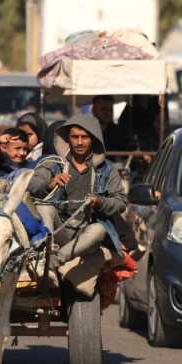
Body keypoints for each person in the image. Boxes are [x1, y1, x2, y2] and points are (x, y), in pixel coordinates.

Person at [28, 113, 127, 270]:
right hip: (57, 230)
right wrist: (50, 183)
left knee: (99, 230)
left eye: (84, 137)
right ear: (68, 139)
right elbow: (32, 184)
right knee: (44, 208)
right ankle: (43, 254)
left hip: (85, 234)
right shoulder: (53, 163)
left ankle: (54, 261)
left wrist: (100, 202)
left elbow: (121, 201)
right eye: (75, 137)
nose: (79, 142)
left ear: (93, 139)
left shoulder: (107, 169)